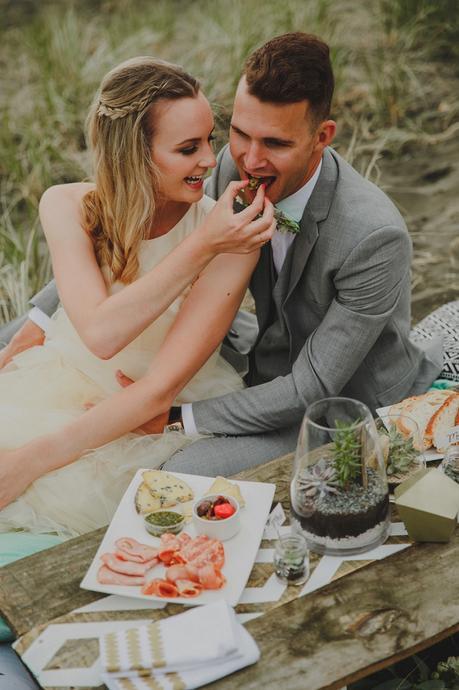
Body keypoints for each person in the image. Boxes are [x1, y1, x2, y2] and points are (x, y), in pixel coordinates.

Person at [0, 33, 443, 481]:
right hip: (253, 354)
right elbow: (137, 239)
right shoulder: (229, 166)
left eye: (275, 143)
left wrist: (174, 418)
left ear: (321, 137)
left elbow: (311, 387)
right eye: (239, 133)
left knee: (180, 471)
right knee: (21, 332)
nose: (249, 160)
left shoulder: (374, 236)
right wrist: (40, 320)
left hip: (333, 402)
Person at [0, 55, 276, 540]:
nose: (210, 161)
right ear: (134, 153)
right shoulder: (66, 205)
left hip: (144, 411)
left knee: (45, 506)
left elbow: (157, 392)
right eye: (188, 148)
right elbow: (100, 332)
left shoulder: (228, 237)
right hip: (63, 378)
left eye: (209, 140)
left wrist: (29, 461)